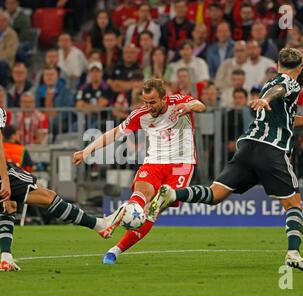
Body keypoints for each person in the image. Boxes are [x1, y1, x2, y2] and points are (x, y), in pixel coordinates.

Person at [149, 48, 303, 273]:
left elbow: (287, 120)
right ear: (300, 67)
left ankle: (172, 193)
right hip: (271, 150)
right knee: (294, 204)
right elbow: (281, 89)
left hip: (247, 148)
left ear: (277, 64)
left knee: (215, 194)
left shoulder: (270, 81)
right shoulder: (290, 82)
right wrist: (265, 100)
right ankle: (293, 254)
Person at [0, 71, 123, 272]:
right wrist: (4, 179)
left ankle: (6, 257)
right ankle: (100, 225)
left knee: (9, 206)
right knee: (48, 196)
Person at [73, 78, 206, 265]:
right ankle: (111, 222)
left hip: (181, 165)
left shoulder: (177, 102)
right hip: (153, 163)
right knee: (140, 195)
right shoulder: (140, 114)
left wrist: (188, 106)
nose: (148, 106)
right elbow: (114, 134)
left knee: (153, 210)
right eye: (145, 102)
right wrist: (86, 151)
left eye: (152, 102)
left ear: (163, 98)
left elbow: (200, 105)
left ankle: (115, 249)